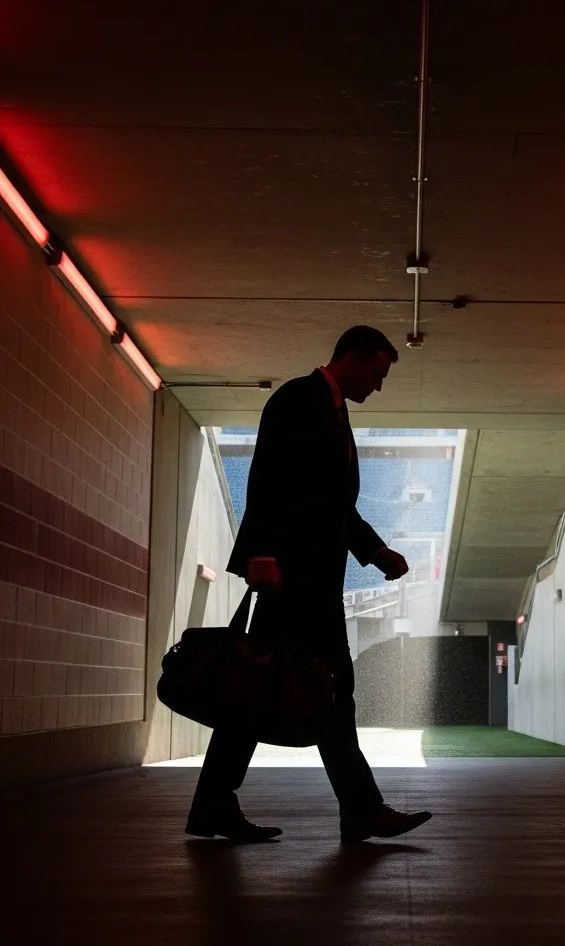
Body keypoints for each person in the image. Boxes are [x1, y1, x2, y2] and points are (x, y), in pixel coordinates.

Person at [186, 325, 432, 842]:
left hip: (311, 582)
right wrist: (261, 552)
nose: (381, 385)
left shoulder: (334, 413)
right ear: (352, 357)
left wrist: (375, 551)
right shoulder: (298, 399)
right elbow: (267, 477)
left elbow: (334, 506)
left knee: (266, 691)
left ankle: (216, 804)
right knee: (317, 690)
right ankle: (359, 808)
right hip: (291, 579)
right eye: (379, 373)